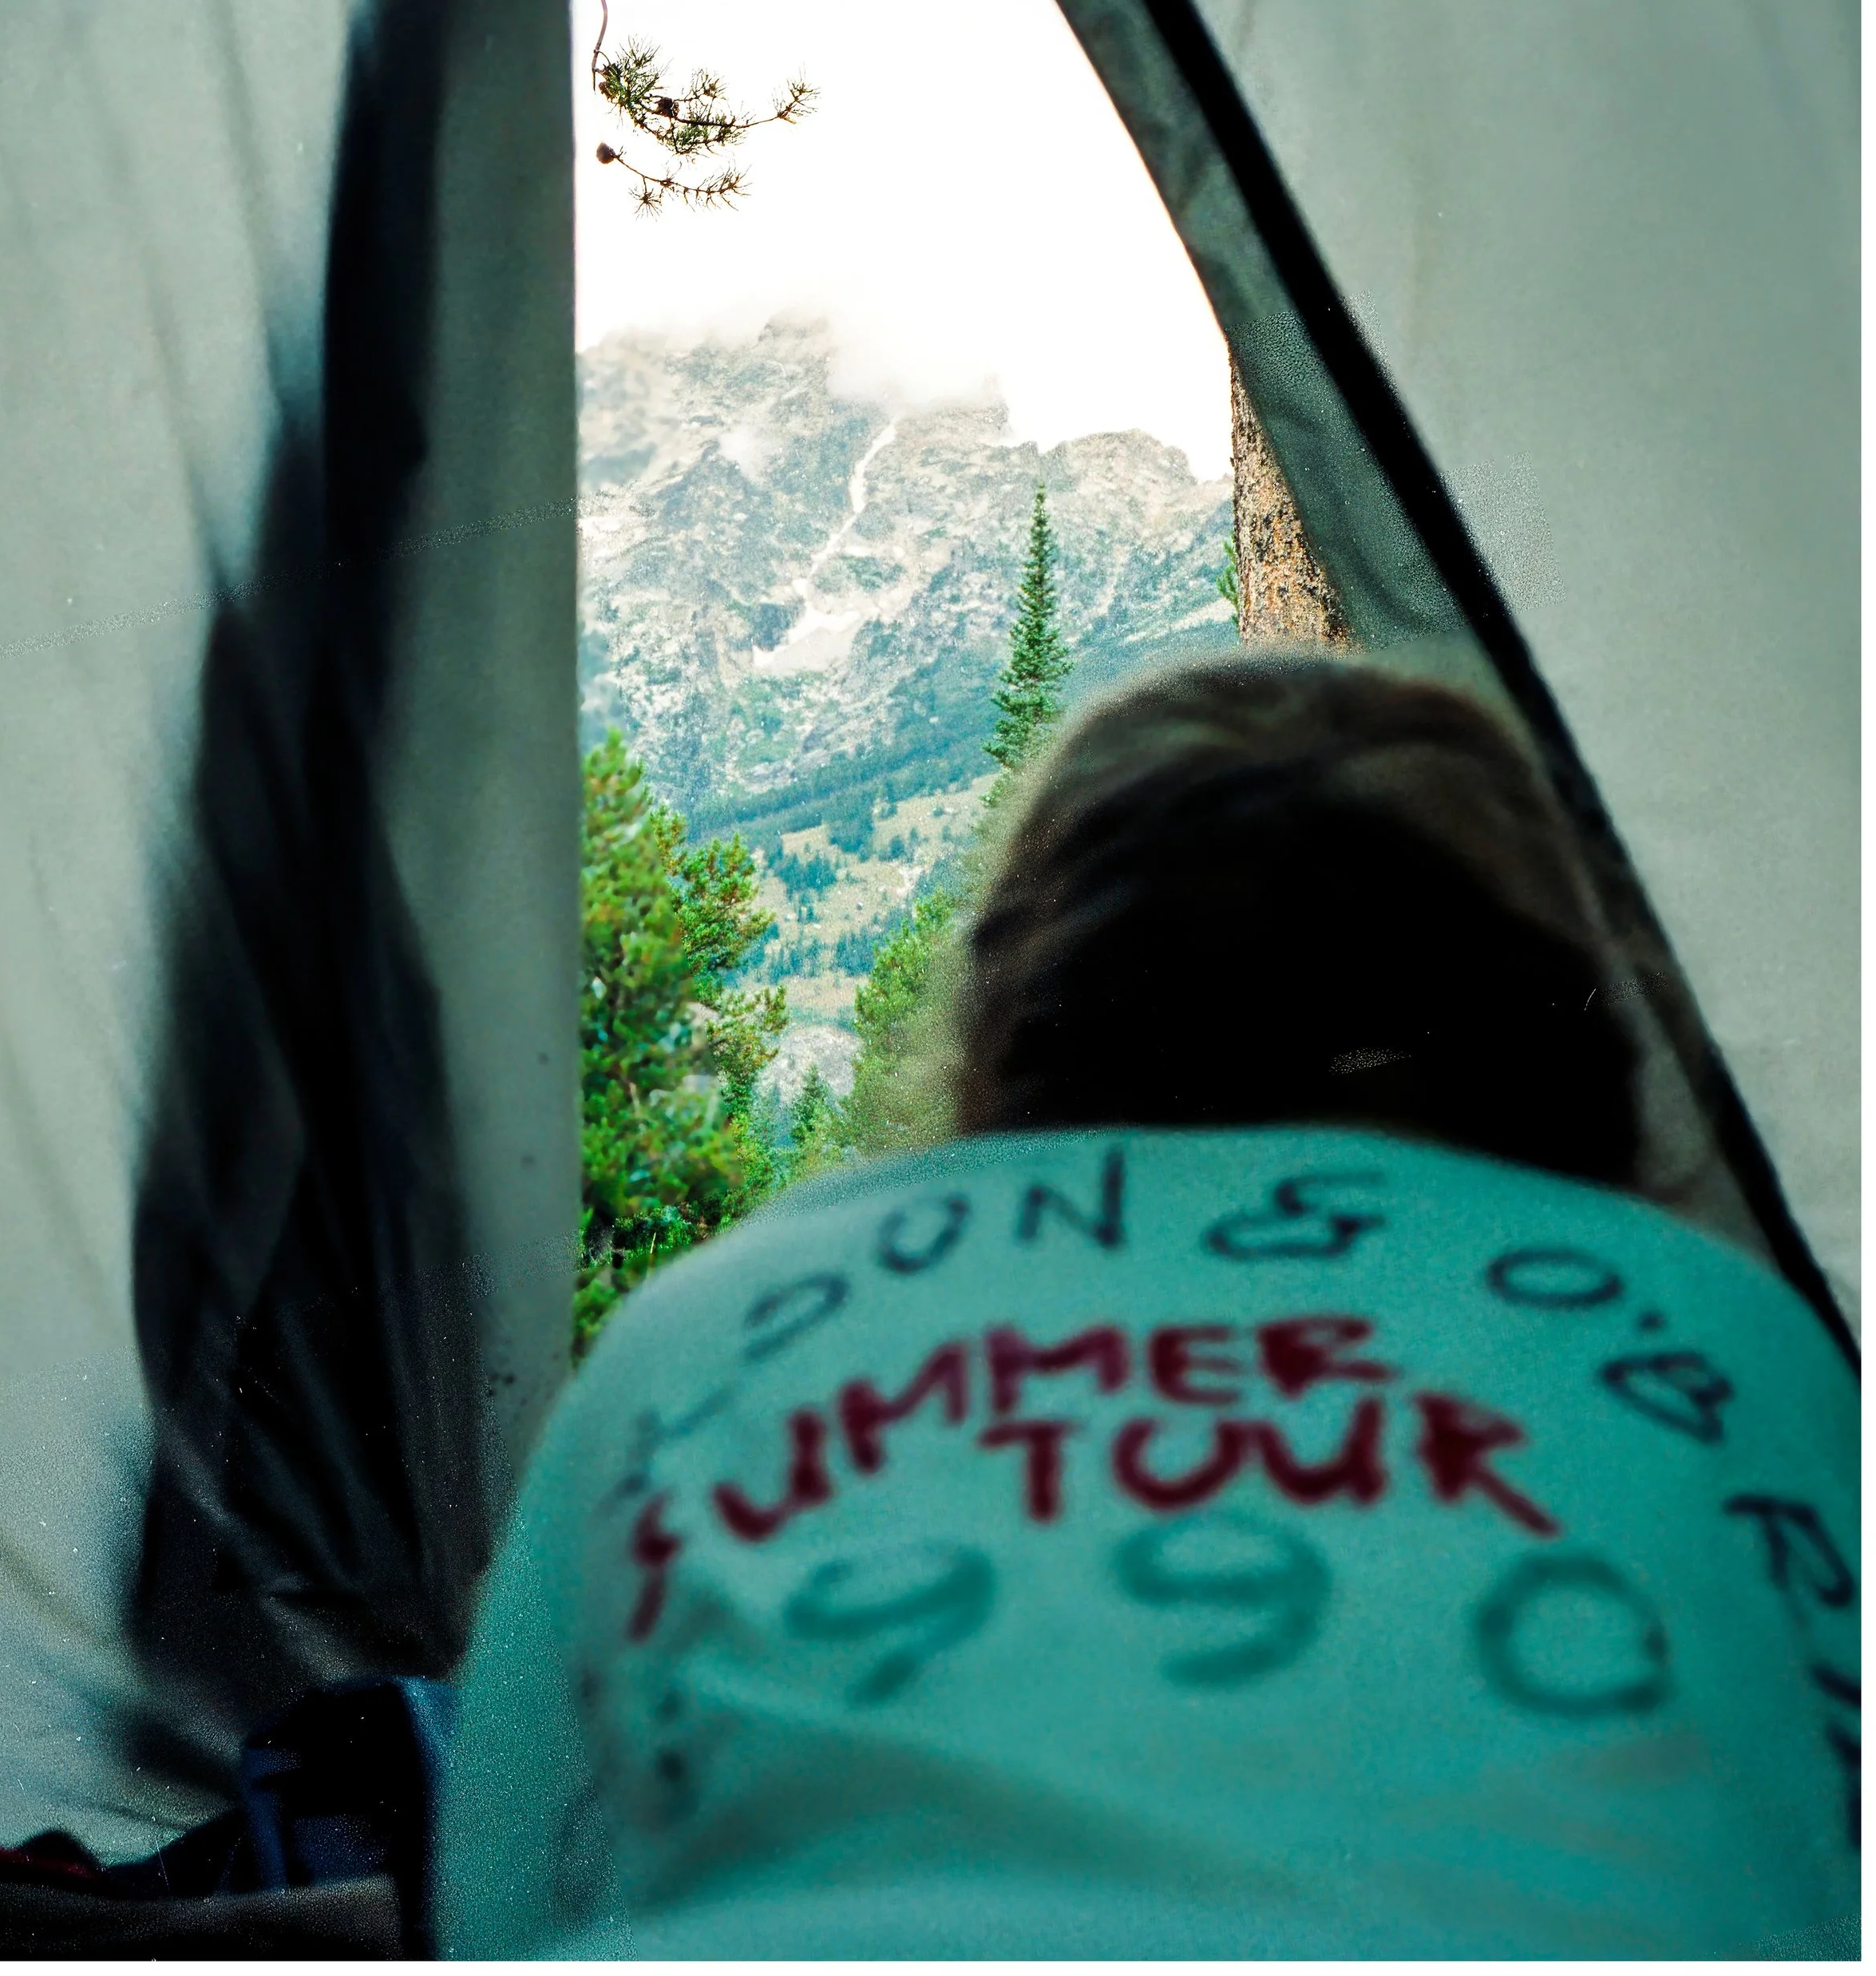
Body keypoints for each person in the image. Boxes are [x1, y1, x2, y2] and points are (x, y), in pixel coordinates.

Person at [437, 657, 1859, 1961]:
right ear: (1563, 1012)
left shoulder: (712, 1320)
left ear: (1017, 987)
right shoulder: (1722, 1334)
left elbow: (505, 1887)